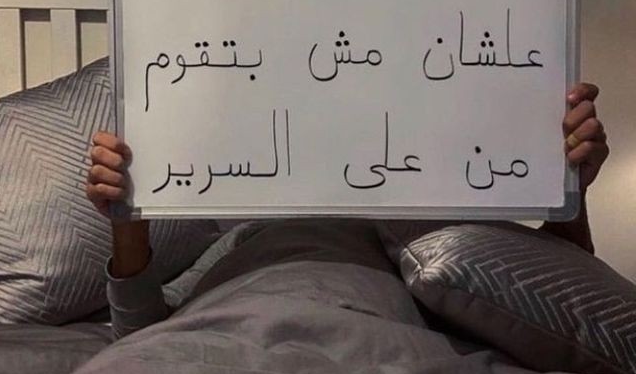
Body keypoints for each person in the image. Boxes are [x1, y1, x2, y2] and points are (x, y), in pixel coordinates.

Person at [86, 82, 609, 340]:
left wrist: (569, 187)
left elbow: (562, 306)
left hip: (388, 356)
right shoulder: (241, 234)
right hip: (221, 352)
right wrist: (127, 221)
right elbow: (139, 334)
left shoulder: (434, 227)